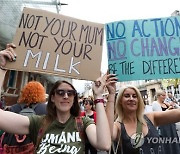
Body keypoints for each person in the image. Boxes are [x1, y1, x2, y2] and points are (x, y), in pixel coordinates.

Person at [0, 45, 111, 153]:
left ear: (74, 98)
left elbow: (104, 144)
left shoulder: (83, 123)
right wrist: (1, 68)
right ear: (52, 97)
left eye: (70, 93)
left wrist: (98, 96)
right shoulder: (38, 122)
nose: (65, 96)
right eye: (60, 92)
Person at [105, 76, 180, 154]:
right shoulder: (117, 127)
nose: (131, 99)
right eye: (127, 96)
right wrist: (111, 94)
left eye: (134, 96)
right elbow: (107, 135)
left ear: (139, 100)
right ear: (120, 101)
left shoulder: (150, 118)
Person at [152, 89, 180, 154]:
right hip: (163, 127)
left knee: (174, 142)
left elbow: (178, 108)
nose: (164, 97)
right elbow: (160, 115)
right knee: (167, 143)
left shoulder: (165, 103)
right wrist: (169, 109)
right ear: (158, 96)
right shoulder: (155, 103)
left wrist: (174, 105)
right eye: (163, 95)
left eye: (165, 95)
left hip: (171, 126)